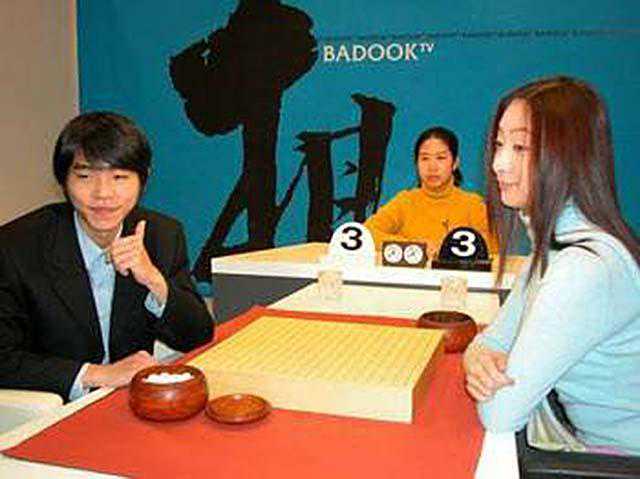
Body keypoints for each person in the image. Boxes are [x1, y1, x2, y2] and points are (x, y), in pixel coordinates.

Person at [463, 77, 640, 455]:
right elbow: (492, 341)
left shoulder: (583, 267)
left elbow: (499, 413)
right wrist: (477, 360)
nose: (498, 164)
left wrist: (487, 370)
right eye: (499, 144)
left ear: (570, 155)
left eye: (521, 147)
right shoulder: (554, 249)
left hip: (617, 461)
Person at [0, 112, 214, 402]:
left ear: (143, 180)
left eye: (119, 177)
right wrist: (97, 374)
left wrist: (154, 281)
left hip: (131, 402)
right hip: (52, 407)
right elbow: (4, 358)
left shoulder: (162, 234)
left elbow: (197, 335)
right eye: (85, 176)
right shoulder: (16, 245)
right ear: (63, 180)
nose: (103, 193)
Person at [364, 127, 496, 258]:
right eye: (425, 158)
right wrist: (415, 247)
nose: (432, 167)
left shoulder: (472, 204)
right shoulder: (405, 201)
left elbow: (495, 245)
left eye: (441, 158)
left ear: (455, 163)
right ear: (416, 163)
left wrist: (449, 249)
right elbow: (367, 233)